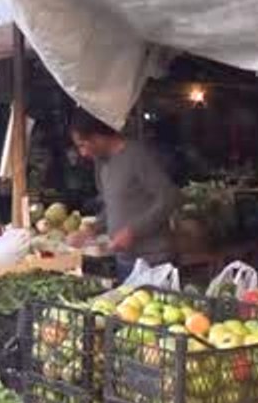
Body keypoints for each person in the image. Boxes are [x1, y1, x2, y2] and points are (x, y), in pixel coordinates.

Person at [69, 109, 180, 280]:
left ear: (99, 136)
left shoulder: (137, 156)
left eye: (83, 144)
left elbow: (169, 197)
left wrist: (133, 231)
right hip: (124, 260)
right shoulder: (101, 164)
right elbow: (113, 206)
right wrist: (92, 229)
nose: (82, 153)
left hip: (153, 260)